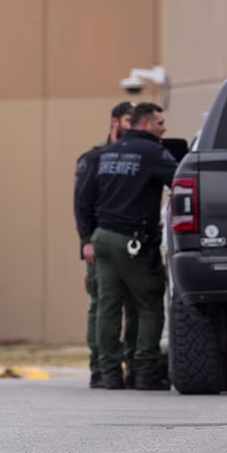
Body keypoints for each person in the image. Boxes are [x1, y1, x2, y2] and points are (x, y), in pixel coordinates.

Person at [91, 102, 178, 390]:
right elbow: (181, 181)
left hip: (102, 236)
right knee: (149, 302)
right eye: (159, 123)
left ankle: (109, 374)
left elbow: (88, 197)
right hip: (132, 240)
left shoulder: (107, 153)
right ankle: (145, 373)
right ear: (145, 125)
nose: (163, 127)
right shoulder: (153, 152)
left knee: (108, 306)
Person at [74, 102, 135, 387]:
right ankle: (100, 367)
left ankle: (132, 365)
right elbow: (82, 202)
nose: (133, 124)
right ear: (114, 122)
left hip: (132, 242)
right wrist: (85, 240)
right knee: (102, 303)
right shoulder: (95, 157)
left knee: (134, 303)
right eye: (128, 119)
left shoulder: (140, 154)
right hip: (99, 241)